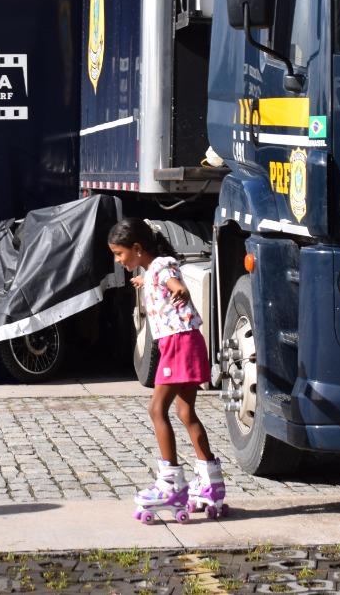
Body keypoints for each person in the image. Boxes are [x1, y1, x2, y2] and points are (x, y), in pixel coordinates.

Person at [106, 218, 227, 521]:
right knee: (186, 413)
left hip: (178, 344)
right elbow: (158, 280)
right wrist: (144, 281)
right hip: (186, 341)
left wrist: (180, 291)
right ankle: (210, 481)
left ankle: (170, 485)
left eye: (120, 254)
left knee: (157, 410)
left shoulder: (161, 267)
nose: (118, 261)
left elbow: (172, 281)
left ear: (137, 248)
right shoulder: (152, 271)